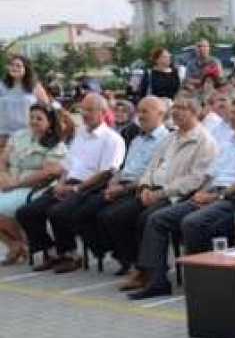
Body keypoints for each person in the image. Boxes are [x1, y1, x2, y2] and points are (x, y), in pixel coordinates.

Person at [128, 98, 235, 299]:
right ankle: (157, 281)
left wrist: (217, 196)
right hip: (210, 194)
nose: (230, 117)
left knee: (192, 223)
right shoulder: (228, 143)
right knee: (157, 219)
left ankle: (201, 281)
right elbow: (209, 175)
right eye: (231, 112)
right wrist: (202, 193)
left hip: (233, 199)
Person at [102, 96, 217, 281]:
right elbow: (152, 166)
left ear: (195, 112)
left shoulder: (204, 141)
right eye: (175, 107)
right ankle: (135, 264)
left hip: (175, 195)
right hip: (152, 190)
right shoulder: (171, 137)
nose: (176, 111)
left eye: (183, 108)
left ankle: (151, 271)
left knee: (147, 219)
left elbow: (194, 180)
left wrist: (161, 193)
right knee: (116, 215)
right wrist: (145, 186)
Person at [17, 93, 126, 272]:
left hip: (90, 187)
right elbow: (68, 164)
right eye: (82, 109)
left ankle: (70, 255)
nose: (84, 113)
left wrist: (75, 188)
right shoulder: (81, 134)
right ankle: (52, 252)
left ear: (103, 112)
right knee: (26, 212)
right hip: (68, 182)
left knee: (57, 212)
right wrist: (60, 184)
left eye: (90, 110)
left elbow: (106, 173)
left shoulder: (112, 139)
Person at [72, 97, 169, 276]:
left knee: (111, 216)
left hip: (143, 188)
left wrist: (122, 189)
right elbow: (124, 167)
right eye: (139, 111)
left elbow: (152, 175)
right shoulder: (137, 139)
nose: (140, 116)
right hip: (122, 185)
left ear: (160, 114)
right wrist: (113, 182)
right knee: (81, 210)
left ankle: (131, 261)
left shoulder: (166, 140)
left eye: (145, 112)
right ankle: (114, 252)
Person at [0, 105, 67, 265]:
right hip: (9, 183)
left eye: (39, 118)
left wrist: (16, 183)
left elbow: (49, 173)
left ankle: (20, 243)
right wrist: (3, 177)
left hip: (35, 188)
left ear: (50, 122)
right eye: (32, 117)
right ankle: (15, 244)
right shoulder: (19, 136)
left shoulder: (56, 145)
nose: (34, 121)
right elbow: (2, 160)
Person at [0, 56, 48, 149]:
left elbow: (46, 108)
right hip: (4, 133)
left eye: (18, 66)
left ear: (26, 69)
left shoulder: (34, 87)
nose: (14, 68)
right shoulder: (2, 86)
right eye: (12, 65)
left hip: (28, 133)